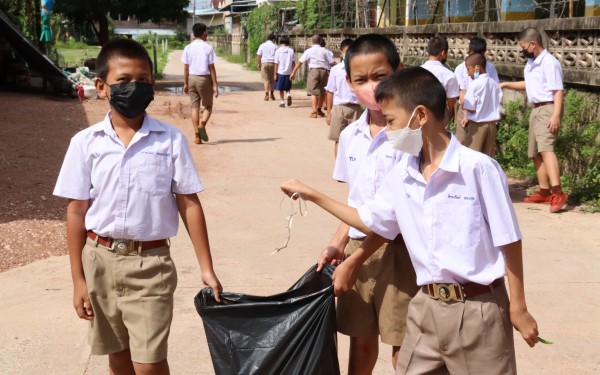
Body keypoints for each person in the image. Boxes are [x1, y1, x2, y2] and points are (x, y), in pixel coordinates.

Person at [281, 67, 540, 375]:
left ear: (420, 116)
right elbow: (369, 221)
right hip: (425, 308)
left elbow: (508, 239)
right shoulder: (403, 173)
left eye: (391, 121)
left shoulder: (478, 169)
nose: (388, 132)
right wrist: (312, 195)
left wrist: (518, 307)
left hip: (478, 310)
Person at [53, 38, 223, 375]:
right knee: (117, 355)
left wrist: (206, 266)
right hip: (99, 261)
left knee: (148, 363)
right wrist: (78, 280)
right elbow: (76, 211)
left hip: (151, 266)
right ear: (102, 87)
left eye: (143, 80)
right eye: (124, 81)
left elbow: (188, 202)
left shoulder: (170, 140)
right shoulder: (85, 143)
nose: (135, 87)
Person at [318, 34, 418, 374]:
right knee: (360, 342)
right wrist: (338, 243)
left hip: (402, 253)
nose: (372, 87)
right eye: (361, 80)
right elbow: (356, 202)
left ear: (399, 72)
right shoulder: (350, 136)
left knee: (402, 344)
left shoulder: (411, 136)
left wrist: (354, 260)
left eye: (380, 76)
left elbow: (398, 215)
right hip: (359, 250)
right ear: (348, 83)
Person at [500, 27, 568, 213]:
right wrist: (505, 84)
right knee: (535, 153)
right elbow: (527, 85)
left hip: (548, 108)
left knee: (546, 150)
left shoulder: (549, 63)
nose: (522, 50)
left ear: (533, 44)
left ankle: (558, 192)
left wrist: (555, 114)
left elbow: (558, 90)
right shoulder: (531, 63)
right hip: (536, 109)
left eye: (522, 46)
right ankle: (544, 191)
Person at [454, 36, 500, 143]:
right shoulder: (461, 68)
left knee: (483, 147)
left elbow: (495, 89)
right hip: (466, 107)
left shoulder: (490, 68)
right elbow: (462, 91)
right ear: (469, 52)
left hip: (484, 112)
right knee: (462, 141)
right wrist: (466, 114)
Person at [324, 38, 362, 157]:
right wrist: (328, 113)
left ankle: (351, 167)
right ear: (341, 54)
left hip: (356, 108)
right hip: (339, 108)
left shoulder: (360, 70)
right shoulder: (335, 70)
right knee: (338, 139)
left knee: (355, 140)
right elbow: (330, 91)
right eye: (347, 52)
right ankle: (339, 167)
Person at [182, 23, 218, 144]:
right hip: (204, 79)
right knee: (208, 106)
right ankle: (202, 125)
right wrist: (215, 85)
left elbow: (186, 68)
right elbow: (211, 68)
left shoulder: (188, 48)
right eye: (206, 31)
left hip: (191, 78)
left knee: (194, 107)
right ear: (204, 33)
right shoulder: (208, 48)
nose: (207, 33)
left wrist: (185, 83)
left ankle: (197, 137)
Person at [461, 53, 502, 157]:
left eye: (468, 69)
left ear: (477, 69)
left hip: (477, 125)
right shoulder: (494, 83)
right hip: (492, 125)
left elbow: (470, 107)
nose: (467, 73)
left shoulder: (475, 84)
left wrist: (463, 105)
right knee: (487, 157)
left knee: (471, 156)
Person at [290, 34, 334, 118]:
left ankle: (314, 112)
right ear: (320, 41)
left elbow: (300, 62)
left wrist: (293, 72)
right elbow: (332, 62)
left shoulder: (309, 50)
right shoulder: (325, 51)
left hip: (313, 71)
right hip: (324, 71)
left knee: (313, 92)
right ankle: (319, 109)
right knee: (322, 91)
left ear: (312, 41)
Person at [421, 36, 459, 123]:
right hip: (440, 113)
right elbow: (451, 101)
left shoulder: (417, 71)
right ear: (443, 53)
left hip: (420, 113)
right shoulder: (449, 75)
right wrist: (448, 115)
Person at [273, 35, 295, 108]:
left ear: (280, 42)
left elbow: (276, 63)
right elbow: (293, 63)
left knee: (281, 88)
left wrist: (275, 74)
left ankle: (282, 102)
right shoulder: (291, 51)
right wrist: (293, 72)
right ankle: (288, 94)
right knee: (287, 86)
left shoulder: (278, 51)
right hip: (289, 72)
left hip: (280, 72)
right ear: (288, 42)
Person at [257, 33, 278, 101]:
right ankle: (271, 94)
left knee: (265, 80)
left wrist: (259, 63)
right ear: (273, 39)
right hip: (272, 64)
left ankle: (266, 95)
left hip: (264, 63)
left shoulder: (262, 45)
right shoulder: (275, 46)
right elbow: (277, 57)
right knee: (272, 81)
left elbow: (259, 55)